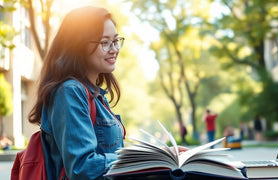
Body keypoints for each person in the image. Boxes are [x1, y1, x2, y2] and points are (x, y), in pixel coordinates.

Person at [27, 6, 187, 179]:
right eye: (104, 42)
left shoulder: (96, 96)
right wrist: (151, 159)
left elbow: (110, 155)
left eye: (116, 40)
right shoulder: (70, 92)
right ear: (78, 45)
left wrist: (162, 155)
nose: (114, 49)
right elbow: (82, 168)